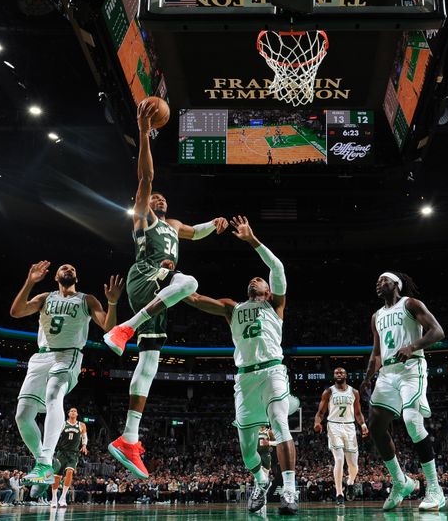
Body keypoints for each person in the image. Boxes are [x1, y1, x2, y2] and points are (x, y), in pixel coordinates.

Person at [102, 102, 228, 478]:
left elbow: (198, 231)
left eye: (161, 199)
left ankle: (128, 437)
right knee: (189, 283)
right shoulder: (144, 216)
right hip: (143, 277)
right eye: (154, 198)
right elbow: (145, 179)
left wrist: (217, 223)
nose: (158, 199)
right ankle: (123, 328)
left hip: (157, 291)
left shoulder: (173, 227)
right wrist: (143, 133)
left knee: (151, 363)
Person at [183, 216, 299, 515]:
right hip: (244, 379)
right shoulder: (232, 308)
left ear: (269, 291)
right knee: (248, 454)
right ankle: (261, 481)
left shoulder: (275, 306)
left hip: (273, 370)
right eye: (252, 280)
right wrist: (171, 278)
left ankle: (289, 490)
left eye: (259, 280)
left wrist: (251, 240)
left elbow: (277, 268)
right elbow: (194, 298)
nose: (254, 280)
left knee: (281, 424)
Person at [11, 261, 123, 485]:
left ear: (76, 278)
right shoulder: (44, 298)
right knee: (22, 416)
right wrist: (29, 282)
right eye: (64, 268)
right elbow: (16, 312)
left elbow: (108, 328)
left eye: (72, 269)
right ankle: (45, 465)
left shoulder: (86, 299)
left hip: (68, 355)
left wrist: (112, 302)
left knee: (54, 395)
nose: (68, 269)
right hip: (41, 356)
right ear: (56, 277)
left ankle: (44, 462)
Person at [359, 271, 446, 511]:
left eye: (383, 280)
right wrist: (367, 378)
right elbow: (376, 353)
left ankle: (435, 489)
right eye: (376, 281)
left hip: (411, 368)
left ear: (396, 284)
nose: (379, 283)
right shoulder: (376, 315)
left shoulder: (410, 303)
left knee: (411, 421)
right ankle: (401, 482)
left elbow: (438, 331)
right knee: (375, 426)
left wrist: (412, 346)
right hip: (387, 373)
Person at [313, 367, 369, 505]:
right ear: (334, 376)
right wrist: (317, 423)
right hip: (333, 426)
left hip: (349, 427)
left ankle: (350, 482)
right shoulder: (329, 391)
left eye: (341, 372)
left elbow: (357, 413)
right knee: (339, 459)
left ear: (346, 375)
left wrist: (363, 425)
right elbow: (320, 412)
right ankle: (339, 492)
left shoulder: (354, 392)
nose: (339, 374)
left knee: (354, 465)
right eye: (336, 373)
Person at [51, 407, 88, 508]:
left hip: (73, 453)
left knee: (70, 472)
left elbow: (84, 437)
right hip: (61, 452)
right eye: (71, 411)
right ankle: (54, 498)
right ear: (68, 414)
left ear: (77, 414)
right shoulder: (63, 424)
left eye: (75, 411)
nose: (73, 412)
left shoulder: (81, 425)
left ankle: (63, 498)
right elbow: (56, 435)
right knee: (57, 476)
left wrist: (84, 445)